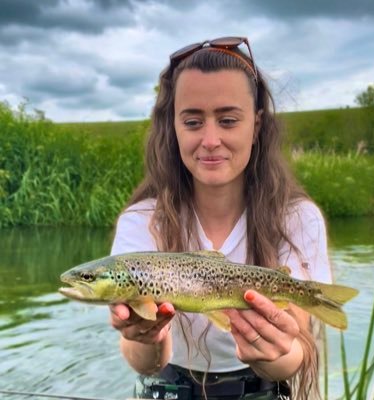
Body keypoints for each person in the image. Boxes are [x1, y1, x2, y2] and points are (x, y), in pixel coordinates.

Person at [109, 36, 332, 400]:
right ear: (174, 126)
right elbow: (144, 362)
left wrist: (272, 352)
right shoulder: (141, 221)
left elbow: (296, 353)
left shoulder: (299, 218)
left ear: (257, 125)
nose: (210, 139)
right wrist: (144, 335)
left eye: (228, 120)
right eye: (193, 122)